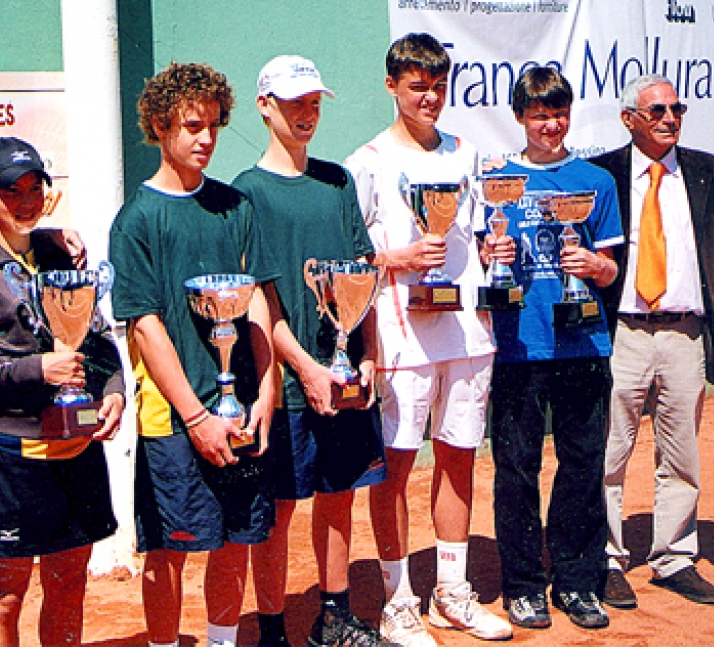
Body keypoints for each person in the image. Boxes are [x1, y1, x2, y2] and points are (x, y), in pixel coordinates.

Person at [344, 33, 513, 646]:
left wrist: (494, 247)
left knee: (460, 458)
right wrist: (400, 254)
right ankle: (396, 599)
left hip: (468, 332)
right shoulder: (365, 162)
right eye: (417, 86)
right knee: (393, 469)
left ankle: (451, 591)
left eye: (438, 86)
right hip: (400, 338)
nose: (430, 97)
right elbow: (352, 258)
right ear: (392, 86)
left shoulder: (468, 154)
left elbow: (479, 231)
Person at [108, 62, 279, 647]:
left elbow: (257, 303)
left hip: (239, 409)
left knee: (236, 542)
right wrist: (197, 417)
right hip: (173, 419)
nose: (205, 138)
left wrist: (266, 395)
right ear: (160, 126)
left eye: (213, 126)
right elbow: (147, 328)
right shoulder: (136, 220)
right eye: (191, 125)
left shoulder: (235, 207)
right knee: (169, 550)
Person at [233, 55, 392, 647]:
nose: (307, 113)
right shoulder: (246, 194)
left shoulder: (337, 181)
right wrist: (304, 368)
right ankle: (273, 628)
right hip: (289, 382)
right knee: (278, 510)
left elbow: (362, 279)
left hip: (345, 376)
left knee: (338, 495)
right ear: (265, 106)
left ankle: (333, 615)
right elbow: (261, 303)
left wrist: (368, 355)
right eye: (295, 102)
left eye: (315, 102)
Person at [0, 137, 125, 647]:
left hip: (76, 448)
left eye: (34, 189)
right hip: (10, 455)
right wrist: (36, 369)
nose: (26, 202)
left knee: (68, 583)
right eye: (11, 191)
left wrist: (112, 389)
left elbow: (97, 341)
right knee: (4, 596)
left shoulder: (60, 256)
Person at [591, 74, 714, 609]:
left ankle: (674, 557)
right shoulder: (602, 175)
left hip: (686, 334)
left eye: (677, 108)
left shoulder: (709, 172)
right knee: (609, 452)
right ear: (629, 118)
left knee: (681, 454)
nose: (669, 117)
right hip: (622, 335)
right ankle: (606, 559)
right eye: (656, 109)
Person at [486, 66, 622, 631]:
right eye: (539, 114)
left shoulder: (596, 182)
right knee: (516, 469)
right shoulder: (498, 182)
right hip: (520, 345)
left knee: (584, 465)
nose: (551, 124)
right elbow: (479, 260)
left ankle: (576, 580)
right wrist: (494, 252)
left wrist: (594, 266)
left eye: (559, 113)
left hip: (584, 342)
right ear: (520, 116)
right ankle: (522, 585)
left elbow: (613, 268)